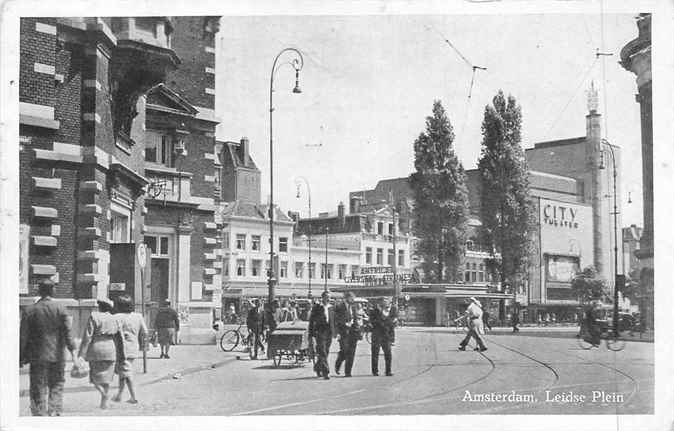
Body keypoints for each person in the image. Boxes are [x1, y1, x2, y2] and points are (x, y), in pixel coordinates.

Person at [20, 280, 77, 416]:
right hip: (57, 354)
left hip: (37, 355)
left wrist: (20, 356)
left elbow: (23, 337)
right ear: (53, 291)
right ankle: (55, 410)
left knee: (37, 385)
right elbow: (68, 334)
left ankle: (39, 413)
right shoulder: (61, 309)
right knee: (57, 383)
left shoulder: (29, 310)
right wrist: (74, 354)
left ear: (39, 291)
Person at [77, 297, 121, 409]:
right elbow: (119, 337)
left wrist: (81, 354)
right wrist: (120, 354)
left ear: (100, 306)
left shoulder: (94, 316)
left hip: (96, 348)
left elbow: (88, 336)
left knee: (94, 377)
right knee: (107, 377)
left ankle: (104, 395)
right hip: (111, 348)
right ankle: (104, 403)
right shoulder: (115, 318)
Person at [112, 294, 147, 404]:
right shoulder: (138, 316)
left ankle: (134, 397)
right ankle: (119, 395)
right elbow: (145, 332)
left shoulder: (115, 317)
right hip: (133, 346)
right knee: (124, 371)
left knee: (126, 372)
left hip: (120, 348)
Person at [308, 291, 336, 379]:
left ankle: (317, 367)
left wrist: (335, 332)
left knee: (326, 351)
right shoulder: (317, 307)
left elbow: (334, 321)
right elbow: (312, 321)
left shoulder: (331, 308)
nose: (328, 299)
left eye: (329, 297)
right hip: (320, 331)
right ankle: (326, 372)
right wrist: (311, 333)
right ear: (323, 297)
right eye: (327, 297)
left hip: (329, 332)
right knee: (322, 351)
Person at [369, 297, 398, 376]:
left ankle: (388, 371)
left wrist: (392, 338)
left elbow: (393, 323)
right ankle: (375, 371)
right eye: (383, 302)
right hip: (377, 334)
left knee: (388, 353)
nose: (385, 303)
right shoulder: (374, 311)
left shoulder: (392, 310)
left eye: (386, 301)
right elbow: (372, 321)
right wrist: (381, 317)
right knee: (375, 353)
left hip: (386, 335)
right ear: (380, 303)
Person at [334, 292, 360, 377]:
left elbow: (356, 318)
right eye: (352, 298)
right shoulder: (340, 306)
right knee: (344, 350)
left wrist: (357, 327)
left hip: (353, 332)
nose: (353, 300)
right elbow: (336, 319)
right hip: (343, 331)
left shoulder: (353, 307)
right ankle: (339, 362)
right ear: (347, 298)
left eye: (353, 298)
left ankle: (348, 372)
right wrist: (344, 324)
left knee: (351, 352)